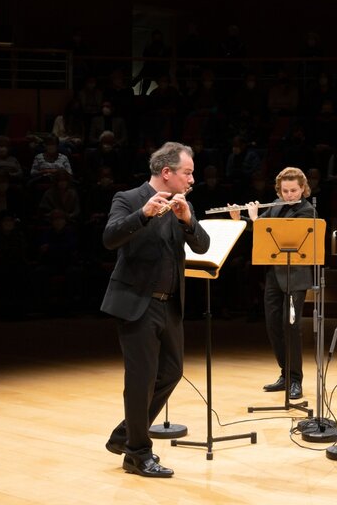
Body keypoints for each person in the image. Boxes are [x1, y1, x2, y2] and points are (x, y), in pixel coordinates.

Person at [101, 142, 209, 478]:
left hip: (170, 304)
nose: (191, 179)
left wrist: (187, 219)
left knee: (172, 372)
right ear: (166, 173)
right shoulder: (129, 199)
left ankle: (125, 434)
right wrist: (143, 214)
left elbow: (202, 245)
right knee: (141, 379)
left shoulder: (182, 206)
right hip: (138, 304)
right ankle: (137, 453)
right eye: (187, 173)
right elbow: (110, 238)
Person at [230, 166, 317, 400]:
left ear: (303, 189)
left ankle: (296, 379)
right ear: (279, 190)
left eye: (293, 190)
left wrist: (256, 219)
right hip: (274, 276)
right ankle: (285, 374)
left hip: (296, 277)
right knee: (273, 326)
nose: (289, 195)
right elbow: (258, 227)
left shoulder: (307, 211)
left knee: (291, 327)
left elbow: (276, 234)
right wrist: (241, 219)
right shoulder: (277, 205)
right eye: (285, 191)